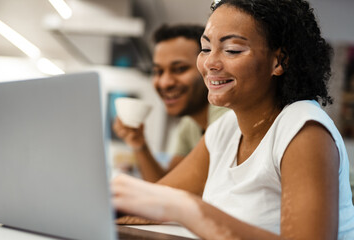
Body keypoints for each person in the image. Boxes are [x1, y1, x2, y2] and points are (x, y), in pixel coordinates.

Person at [112, 0, 354, 239]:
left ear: (279, 61)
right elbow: (152, 203)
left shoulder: (304, 131)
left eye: (232, 50)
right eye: (205, 49)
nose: (209, 63)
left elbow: (175, 204)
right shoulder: (224, 131)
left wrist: (187, 208)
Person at [113, 24, 227, 182]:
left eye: (180, 69)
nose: (165, 83)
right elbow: (165, 183)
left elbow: (167, 191)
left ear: (207, 67)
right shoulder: (189, 125)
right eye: (158, 72)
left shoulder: (227, 115)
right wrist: (139, 143)